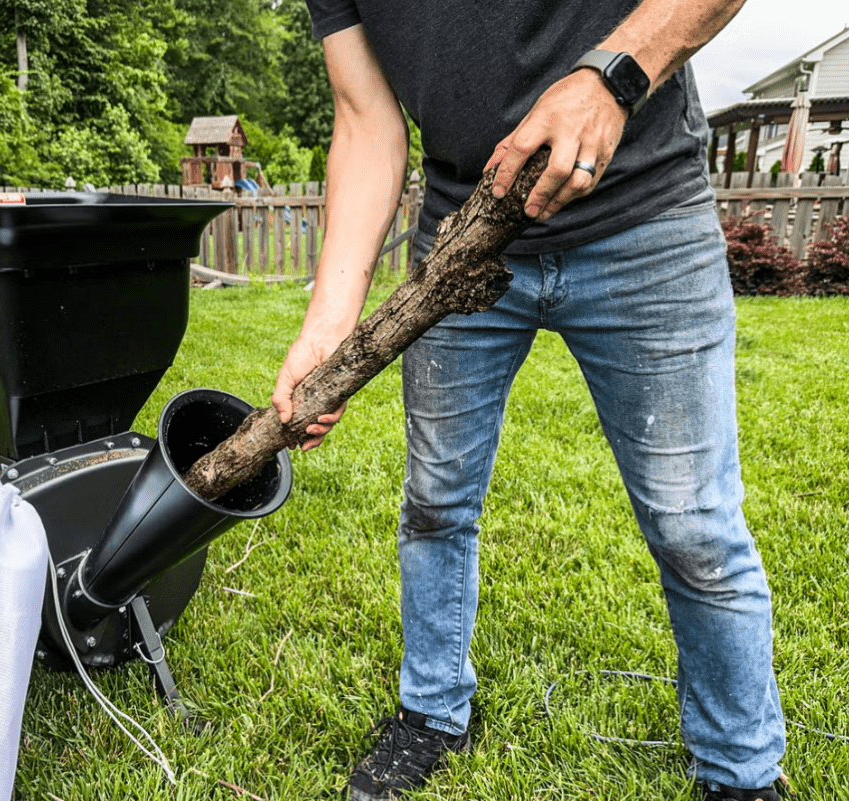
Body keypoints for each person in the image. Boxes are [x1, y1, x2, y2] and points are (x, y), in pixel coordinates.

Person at [270, 1, 787, 799]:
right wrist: (328, 329)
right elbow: (364, 117)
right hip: (462, 231)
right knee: (436, 500)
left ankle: (741, 770)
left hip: (646, 220)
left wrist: (615, 74)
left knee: (696, 526)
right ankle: (433, 711)